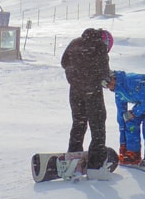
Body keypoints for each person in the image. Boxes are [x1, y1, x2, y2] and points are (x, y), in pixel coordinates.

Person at [61, 28, 112, 180]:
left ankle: (73, 162)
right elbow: (104, 73)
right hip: (92, 92)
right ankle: (96, 167)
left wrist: (76, 74)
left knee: (79, 123)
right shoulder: (99, 46)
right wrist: (102, 79)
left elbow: (64, 63)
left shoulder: (75, 43)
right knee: (97, 126)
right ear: (105, 40)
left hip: (75, 91)